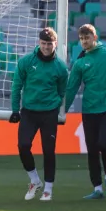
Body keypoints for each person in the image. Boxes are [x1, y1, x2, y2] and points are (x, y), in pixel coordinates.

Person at [10, 27, 68, 201]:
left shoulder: (60, 67)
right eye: (43, 43)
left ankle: (48, 189)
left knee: (48, 150)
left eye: (49, 44)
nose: (46, 47)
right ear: (39, 42)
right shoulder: (26, 61)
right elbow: (16, 86)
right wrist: (15, 109)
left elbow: (62, 91)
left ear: (55, 44)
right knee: (23, 145)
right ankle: (35, 180)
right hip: (29, 112)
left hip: (49, 113)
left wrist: (55, 106)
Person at [64, 24, 106, 200]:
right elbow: (71, 88)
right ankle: (97, 189)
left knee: (104, 144)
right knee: (92, 150)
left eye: (87, 38)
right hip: (89, 111)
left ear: (94, 38)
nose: (84, 42)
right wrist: (62, 112)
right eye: (81, 39)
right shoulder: (80, 63)